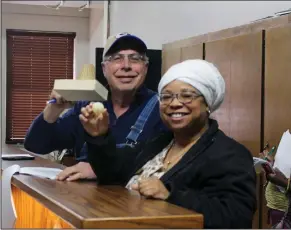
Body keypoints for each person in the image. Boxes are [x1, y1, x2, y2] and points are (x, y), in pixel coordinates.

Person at [81, 59, 257, 228]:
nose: (174, 104)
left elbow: (237, 216)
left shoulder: (230, 155)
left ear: (207, 103)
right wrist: (99, 136)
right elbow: (112, 174)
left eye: (186, 96)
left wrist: (170, 195)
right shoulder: (159, 143)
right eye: (166, 97)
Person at [24, 32, 166, 181]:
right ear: (104, 69)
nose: (126, 66)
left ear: (145, 67)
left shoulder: (161, 109)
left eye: (135, 59)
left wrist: (97, 168)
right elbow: (35, 145)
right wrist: (53, 109)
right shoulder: (86, 105)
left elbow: (163, 165)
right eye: (117, 58)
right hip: (81, 200)